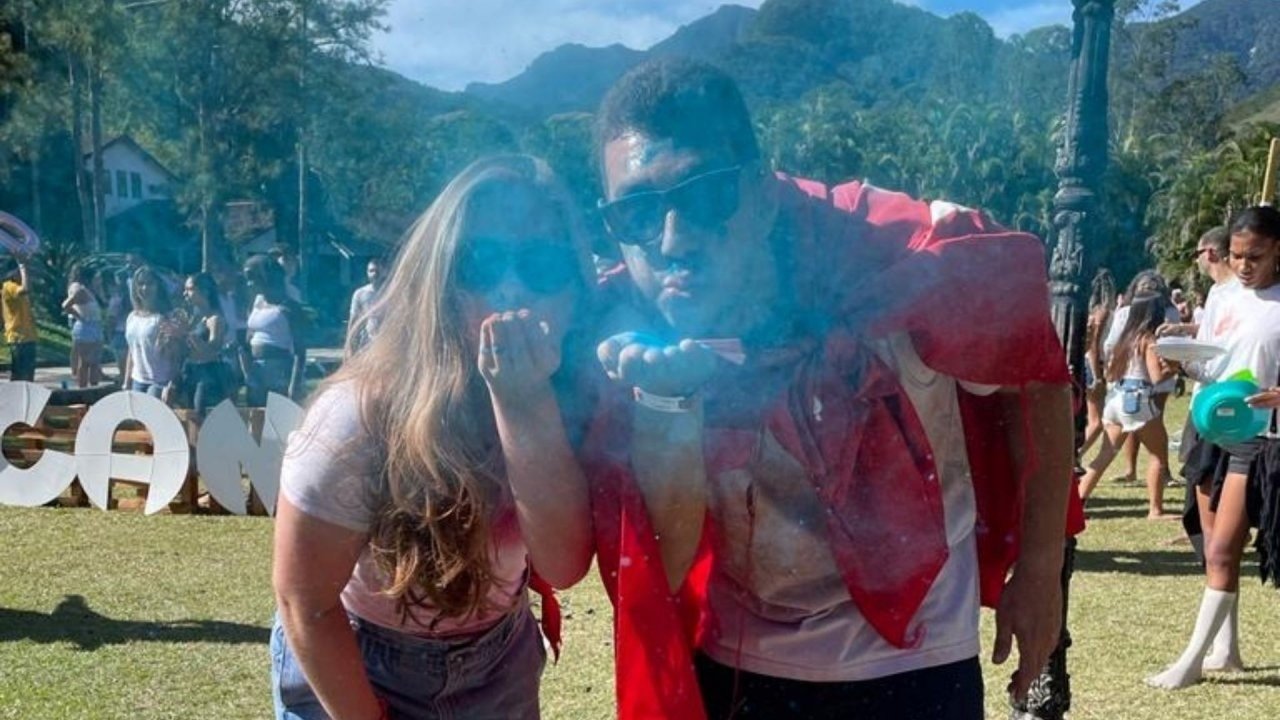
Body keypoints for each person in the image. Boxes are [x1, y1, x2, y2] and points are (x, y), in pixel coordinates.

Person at [585, 58, 1075, 720]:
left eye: (705, 196)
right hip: (739, 661)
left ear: (760, 193)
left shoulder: (907, 258)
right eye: (637, 212)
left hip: (919, 657)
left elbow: (1034, 377)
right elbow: (650, 559)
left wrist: (1040, 570)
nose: (674, 240)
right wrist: (665, 400)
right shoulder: (623, 330)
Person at [270, 155, 596, 719]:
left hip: (497, 661)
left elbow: (563, 565)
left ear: (576, 293)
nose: (511, 289)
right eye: (479, 263)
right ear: (438, 283)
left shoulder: (573, 402)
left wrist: (524, 404)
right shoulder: (356, 417)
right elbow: (306, 602)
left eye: (543, 265)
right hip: (357, 655)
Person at [1147, 205, 1280, 689]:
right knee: (1214, 548)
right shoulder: (1223, 296)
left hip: (1263, 437)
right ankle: (1227, 650)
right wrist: (1181, 361)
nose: (1243, 265)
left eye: (1255, 256)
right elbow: (1210, 362)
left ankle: (1191, 662)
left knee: (1224, 548)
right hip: (1213, 429)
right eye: (1237, 255)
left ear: (1277, 250)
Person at [1076, 292, 1177, 518]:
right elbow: (1157, 377)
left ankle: (1077, 504)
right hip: (1138, 400)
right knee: (1158, 455)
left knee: (1103, 456)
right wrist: (1174, 367)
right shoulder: (1148, 340)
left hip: (1116, 399)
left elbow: (1110, 373)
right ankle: (1155, 510)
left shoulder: (1124, 339)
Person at [1102, 270, 1180, 487]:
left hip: (1149, 373)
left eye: (1153, 288)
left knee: (1152, 422)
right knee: (1134, 425)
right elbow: (1112, 343)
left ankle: (1163, 472)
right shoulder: (1126, 314)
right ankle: (1132, 470)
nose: (1148, 291)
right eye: (1144, 287)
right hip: (1137, 376)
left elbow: (1175, 339)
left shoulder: (1170, 311)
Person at [244, 255, 307, 405]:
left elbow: (300, 350)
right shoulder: (256, 303)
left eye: (252, 278)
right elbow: (249, 334)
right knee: (256, 414)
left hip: (279, 370)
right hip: (255, 369)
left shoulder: (289, 307)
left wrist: (295, 383)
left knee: (277, 415)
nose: (249, 283)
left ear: (265, 277)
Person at [124, 265, 182, 401]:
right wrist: (126, 381)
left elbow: (175, 355)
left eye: (149, 284)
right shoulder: (132, 317)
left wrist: (172, 383)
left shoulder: (165, 317)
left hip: (159, 381)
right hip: (137, 379)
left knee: (151, 412)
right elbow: (131, 350)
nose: (145, 288)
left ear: (158, 286)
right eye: (141, 284)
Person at [180, 272, 230, 417]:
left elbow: (212, 351)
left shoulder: (215, 319)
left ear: (205, 291)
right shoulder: (194, 318)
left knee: (200, 413)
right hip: (190, 370)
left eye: (190, 289)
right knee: (187, 414)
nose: (185, 294)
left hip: (208, 374)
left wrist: (187, 334)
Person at [1082, 269, 1117, 455]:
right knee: (1096, 422)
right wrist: (1097, 376)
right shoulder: (1103, 312)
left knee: (1094, 420)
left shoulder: (1091, 312)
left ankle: (1075, 456)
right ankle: (1074, 456)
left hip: (1090, 364)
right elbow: (1094, 345)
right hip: (1093, 365)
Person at [62, 265, 105, 387]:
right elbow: (65, 305)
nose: (98, 280)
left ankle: (94, 387)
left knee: (95, 361)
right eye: (96, 277)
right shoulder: (80, 290)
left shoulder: (89, 291)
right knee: (85, 362)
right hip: (86, 328)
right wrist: (79, 316)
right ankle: (83, 388)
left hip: (95, 326)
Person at [1, 254, 38, 382]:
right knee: (20, 374)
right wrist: (23, 266)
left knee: (28, 375)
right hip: (18, 338)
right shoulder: (9, 286)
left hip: (28, 336)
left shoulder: (16, 286)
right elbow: (26, 289)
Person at [346, 257, 385, 351]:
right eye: (371, 271)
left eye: (377, 271)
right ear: (367, 273)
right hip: (367, 343)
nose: (375, 274)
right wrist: (350, 341)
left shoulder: (390, 292)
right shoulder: (360, 293)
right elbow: (354, 319)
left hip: (386, 340)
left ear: (384, 271)